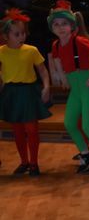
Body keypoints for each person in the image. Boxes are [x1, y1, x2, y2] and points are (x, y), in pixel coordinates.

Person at [48, 0, 89, 173]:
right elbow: (57, 59)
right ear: (52, 27)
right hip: (75, 88)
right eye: (56, 24)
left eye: (64, 24)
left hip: (88, 86)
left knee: (88, 125)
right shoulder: (56, 45)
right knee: (69, 123)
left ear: (72, 25)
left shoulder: (79, 41)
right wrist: (61, 76)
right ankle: (85, 153)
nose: (60, 28)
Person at [0, 9, 51, 176]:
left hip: (28, 92)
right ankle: (24, 162)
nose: (21, 37)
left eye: (23, 33)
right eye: (17, 34)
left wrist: (46, 87)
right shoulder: (1, 52)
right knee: (17, 132)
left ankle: (34, 163)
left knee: (32, 130)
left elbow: (43, 70)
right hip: (11, 93)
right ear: (5, 36)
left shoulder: (31, 50)